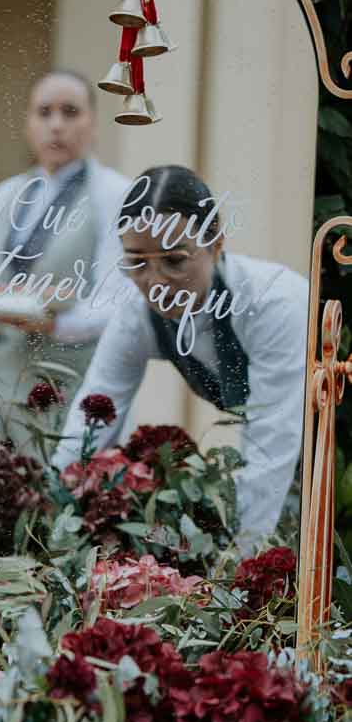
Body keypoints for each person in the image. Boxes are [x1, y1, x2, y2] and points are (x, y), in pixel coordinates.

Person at [52, 165, 310, 549]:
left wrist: (237, 568)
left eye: (174, 260)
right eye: (137, 262)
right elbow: (91, 418)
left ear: (216, 244)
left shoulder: (274, 303)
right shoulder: (136, 315)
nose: (154, 283)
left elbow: (270, 444)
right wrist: (51, 508)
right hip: (283, 456)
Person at [0, 69, 132, 449]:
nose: (56, 126)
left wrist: (52, 320)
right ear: (28, 124)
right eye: (44, 113)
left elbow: (115, 303)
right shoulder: (7, 194)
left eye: (70, 112)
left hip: (68, 380)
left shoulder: (114, 194)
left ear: (93, 123)